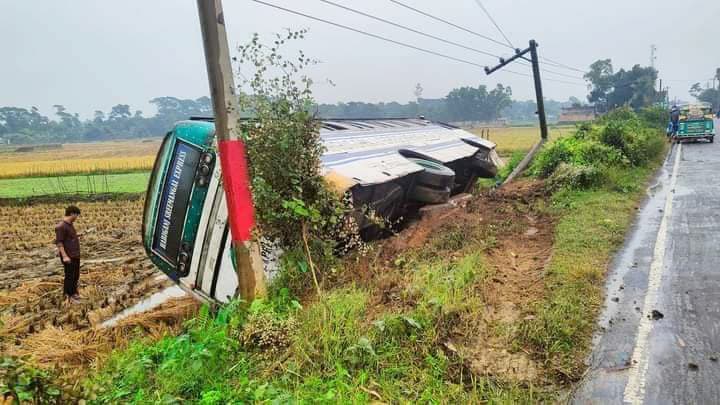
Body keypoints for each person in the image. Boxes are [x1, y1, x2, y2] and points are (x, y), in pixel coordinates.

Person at [55, 205, 81, 303]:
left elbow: (69, 238)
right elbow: (59, 242)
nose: (76, 218)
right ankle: (68, 296)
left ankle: (73, 293)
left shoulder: (70, 225)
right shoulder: (61, 226)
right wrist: (65, 256)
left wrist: (77, 236)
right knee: (69, 276)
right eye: (76, 215)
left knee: (75, 275)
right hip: (68, 256)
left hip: (75, 255)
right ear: (72, 214)